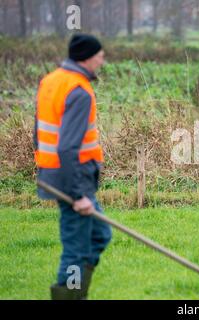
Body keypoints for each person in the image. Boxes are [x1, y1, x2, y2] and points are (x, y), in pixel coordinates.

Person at [34, 34, 111, 300]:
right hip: (73, 180)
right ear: (87, 57)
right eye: (100, 55)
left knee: (100, 234)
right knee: (77, 249)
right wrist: (79, 195)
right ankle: (70, 295)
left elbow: (39, 133)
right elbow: (67, 147)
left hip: (56, 175)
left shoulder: (50, 81)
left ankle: (75, 293)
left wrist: (44, 169)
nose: (102, 59)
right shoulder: (78, 91)